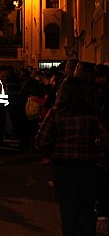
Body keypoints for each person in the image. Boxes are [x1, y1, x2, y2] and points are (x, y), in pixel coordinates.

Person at [35, 77, 104, 236]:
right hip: (87, 165)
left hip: (62, 166)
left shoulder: (56, 113)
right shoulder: (91, 113)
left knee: (68, 209)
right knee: (87, 207)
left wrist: (52, 149)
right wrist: (94, 147)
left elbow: (41, 140)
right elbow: (106, 138)